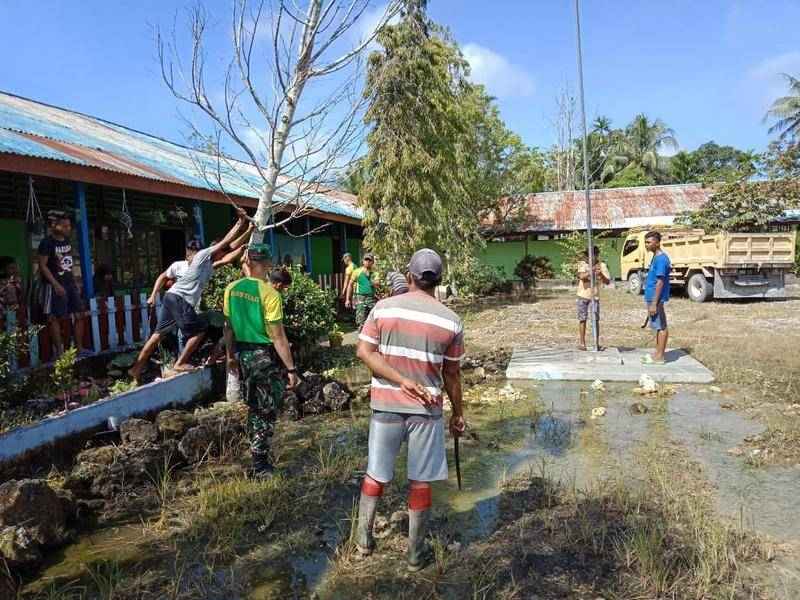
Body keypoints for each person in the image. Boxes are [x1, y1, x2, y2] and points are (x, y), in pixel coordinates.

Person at [354, 248, 466, 572]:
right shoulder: (451, 320)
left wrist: (400, 380)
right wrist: (458, 414)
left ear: (409, 277)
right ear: (439, 280)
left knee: (376, 473)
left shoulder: (383, 308)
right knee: (420, 482)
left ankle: (363, 541)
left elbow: (364, 352)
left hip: (385, 406)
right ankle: (415, 555)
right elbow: (452, 374)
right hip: (426, 410)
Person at [129, 213, 248, 382]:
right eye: (221, 252)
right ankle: (180, 363)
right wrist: (240, 222)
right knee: (200, 330)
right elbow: (226, 242)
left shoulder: (209, 265)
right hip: (181, 300)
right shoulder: (202, 256)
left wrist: (246, 239)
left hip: (171, 297)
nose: (222, 255)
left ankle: (136, 369)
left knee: (157, 336)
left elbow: (228, 255)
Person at [224, 243, 299, 477]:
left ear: (247, 261)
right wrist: (291, 369)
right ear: (267, 263)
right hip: (262, 356)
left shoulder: (231, 289)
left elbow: (228, 328)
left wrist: (230, 356)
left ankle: (258, 457)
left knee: (255, 406)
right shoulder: (270, 294)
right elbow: (278, 337)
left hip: (243, 355)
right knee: (266, 408)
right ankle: (260, 465)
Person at [38, 211, 90, 358]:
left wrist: (75, 281)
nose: (68, 228)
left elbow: (68, 263)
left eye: (69, 226)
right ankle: (60, 353)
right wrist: (55, 284)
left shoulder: (66, 241)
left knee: (80, 314)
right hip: (54, 285)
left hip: (69, 283)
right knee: (55, 318)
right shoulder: (46, 243)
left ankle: (79, 348)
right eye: (65, 226)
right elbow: (42, 265)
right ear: (54, 225)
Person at [642, 231, 671, 364]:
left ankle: (660, 356)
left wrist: (654, 303)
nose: (646, 244)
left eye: (649, 242)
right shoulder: (655, 257)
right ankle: (657, 353)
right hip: (652, 297)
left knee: (661, 326)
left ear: (658, 243)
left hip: (656, 298)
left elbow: (660, 282)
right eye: (645, 242)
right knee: (657, 326)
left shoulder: (661, 259)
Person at [576, 246, 611, 351]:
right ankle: (582, 343)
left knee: (595, 319)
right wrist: (591, 270)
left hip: (594, 297)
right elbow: (581, 277)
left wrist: (600, 274)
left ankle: (596, 343)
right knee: (582, 319)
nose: (589, 258)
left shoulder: (602, 265)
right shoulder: (582, 264)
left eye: (592, 255)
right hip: (582, 296)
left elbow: (607, 281)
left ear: (596, 255)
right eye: (587, 256)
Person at [345, 253, 377, 331]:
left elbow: (377, 284)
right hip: (360, 299)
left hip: (371, 299)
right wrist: (347, 299)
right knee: (361, 322)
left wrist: (372, 280)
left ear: (372, 262)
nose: (367, 262)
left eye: (369, 260)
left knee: (373, 321)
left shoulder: (375, 273)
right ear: (363, 261)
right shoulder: (357, 271)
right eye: (366, 260)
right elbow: (350, 285)